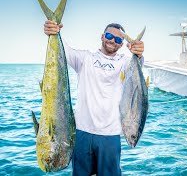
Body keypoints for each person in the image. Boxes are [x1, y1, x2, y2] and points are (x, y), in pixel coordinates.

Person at [44, 20, 144, 176]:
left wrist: (138, 53)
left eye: (118, 39)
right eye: (110, 36)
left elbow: (137, 70)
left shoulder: (124, 63)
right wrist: (55, 31)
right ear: (102, 36)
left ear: (122, 44)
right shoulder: (85, 58)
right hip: (81, 132)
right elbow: (65, 50)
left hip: (110, 135)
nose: (112, 40)